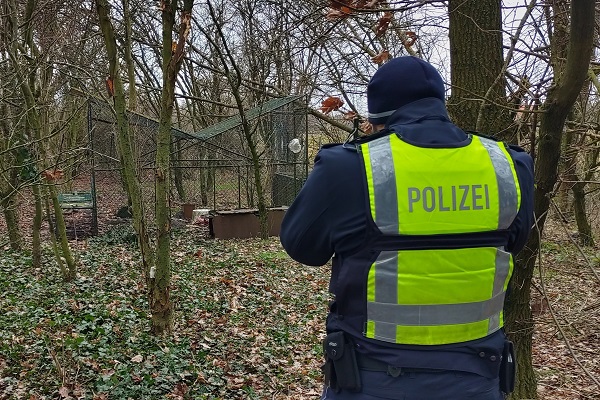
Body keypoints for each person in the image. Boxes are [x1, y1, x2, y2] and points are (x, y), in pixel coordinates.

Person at [279, 56, 534, 400]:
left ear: (377, 118)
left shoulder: (351, 166)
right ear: (441, 104)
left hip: (372, 379)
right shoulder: (508, 165)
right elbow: (514, 243)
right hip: (477, 377)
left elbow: (301, 246)